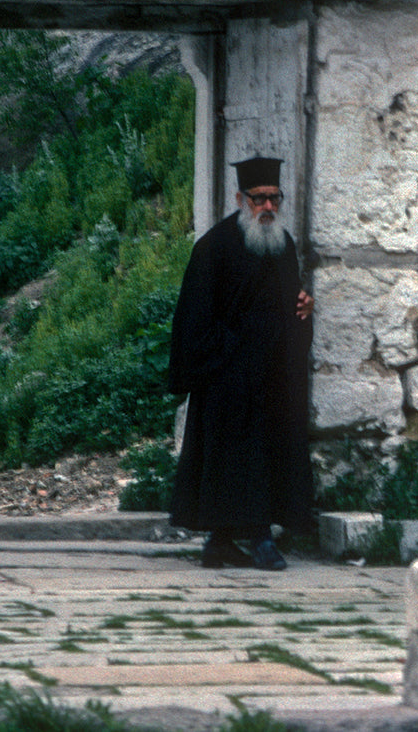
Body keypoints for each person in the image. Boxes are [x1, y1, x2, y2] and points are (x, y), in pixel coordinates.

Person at [167, 155, 316, 570]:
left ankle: (222, 542)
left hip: (273, 375)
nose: (267, 208)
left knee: (263, 456)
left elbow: (292, 304)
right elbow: (194, 317)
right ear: (240, 199)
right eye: (259, 199)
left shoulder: (282, 246)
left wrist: (304, 309)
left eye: (274, 198)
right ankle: (257, 540)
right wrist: (226, 356)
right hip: (228, 376)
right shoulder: (213, 247)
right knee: (235, 457)